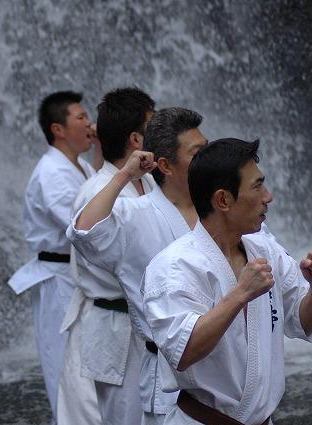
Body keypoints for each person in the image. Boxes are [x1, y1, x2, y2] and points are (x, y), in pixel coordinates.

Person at [142, 138, 312, 425]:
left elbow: (304, 323)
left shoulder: (264, 250)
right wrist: (240, 293)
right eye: (257, 187)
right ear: (223, 200)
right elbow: (182, 352)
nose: (268, 197)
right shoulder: (173, 267)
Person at [68, 107, 206, 425]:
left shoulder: (205, 204)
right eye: (197, 152)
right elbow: (83, 233)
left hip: (205, 358)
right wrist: (124, 176)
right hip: (128, 327)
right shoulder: (124, 203)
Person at [57, 87, 156, 425]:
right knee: (124, 417)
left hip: (146, 322)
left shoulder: (149, 183)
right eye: (153, 127)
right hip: (116, 325)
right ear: (135, 140)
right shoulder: (97, 193)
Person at [7, 91, 99, 423]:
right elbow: (82, 225)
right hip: (58, 278)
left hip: (76, 275)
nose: (90, 124)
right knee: (63, 366)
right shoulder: (51, 172)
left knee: (84, 365)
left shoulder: (81, 165)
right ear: (58, 129)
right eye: (81, 117)